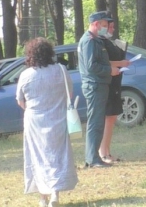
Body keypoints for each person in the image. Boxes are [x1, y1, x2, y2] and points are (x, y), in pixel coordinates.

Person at [16, 37, 78, 207]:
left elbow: (21, 101)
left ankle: (42, 198)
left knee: (37, 157)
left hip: (34, 122)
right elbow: (69, 95)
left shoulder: (25, 75)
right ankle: (55, 194)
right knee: (57, 156)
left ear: (30, 54)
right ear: (50, 53)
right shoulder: (61, 70)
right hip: (58, 119)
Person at [78, 11, 119, 168]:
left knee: (98, 122)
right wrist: (110, 70)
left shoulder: (96, 40)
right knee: (95, 123)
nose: (105, 28)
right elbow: (91, 66)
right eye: (103, 25)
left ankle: (94, 157)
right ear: (95, 24)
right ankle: (93, 159)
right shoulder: (89, 41)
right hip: (94, 86)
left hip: (99, 85)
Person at [99, 16, 130, 164]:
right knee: (107, 118)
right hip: (107, 84)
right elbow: (102, 62)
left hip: (116, 81)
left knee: (112, 118)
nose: (111, 29)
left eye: (111, 27)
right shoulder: (99, 42)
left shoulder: (108, 42)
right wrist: (120, 62)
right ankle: (102, 152)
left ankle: (107, 151)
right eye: (108, 26)